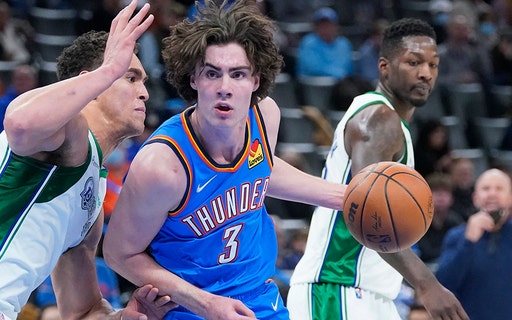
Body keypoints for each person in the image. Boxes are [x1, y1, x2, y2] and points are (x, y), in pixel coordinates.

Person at [0, 1, 176, 319]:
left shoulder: (93, 195)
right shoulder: (66, 130)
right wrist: (109, 71)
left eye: (144, 82)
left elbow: (81, 311)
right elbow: (19, 123)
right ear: (92, 84)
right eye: (132, 78)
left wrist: (125, 316)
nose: (145, 93)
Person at [102, 1, 346, 319]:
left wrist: (347, 197)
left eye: (238, 74)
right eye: (212, 73)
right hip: (188, 306)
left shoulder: (265, 116)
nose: (225, 88)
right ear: (193, 79)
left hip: (258, 296)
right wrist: (205, 304)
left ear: (256, 81)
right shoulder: (163, 166)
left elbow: (261, 170)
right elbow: (119, 254)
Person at [287, 18, 469, 320]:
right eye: (413, 62)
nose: (425, 73)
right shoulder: (379, 119)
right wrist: (427, 284)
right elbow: (370, 215)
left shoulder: (390, 122)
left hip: (367, 292)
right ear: (383, 66)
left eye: (433, 65)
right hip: (337, 287)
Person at [435, 168, 512, 320]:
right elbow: (444, 284)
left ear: (510, 198)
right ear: (475, 198)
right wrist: (468, 241)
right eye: (486, 188)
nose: (492, 194)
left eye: (499, 188)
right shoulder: (457, 236)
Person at [295, 7, 354, 80]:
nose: (326, 28)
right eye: (322, 24)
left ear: (336, 26)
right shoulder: (308, 42)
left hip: (339, 84)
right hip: (313, 85)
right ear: (316, 27)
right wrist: (336, 74)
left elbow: (345, 68)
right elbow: (312, 68)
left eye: (329, 24)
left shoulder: (344, 44)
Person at [0, 64, 38, 137]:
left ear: (34, 81)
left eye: (26, 79)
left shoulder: (40, 102)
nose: (22, 82)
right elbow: (0, 129)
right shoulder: (2, 103)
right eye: (19, 79)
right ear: (13, 81)